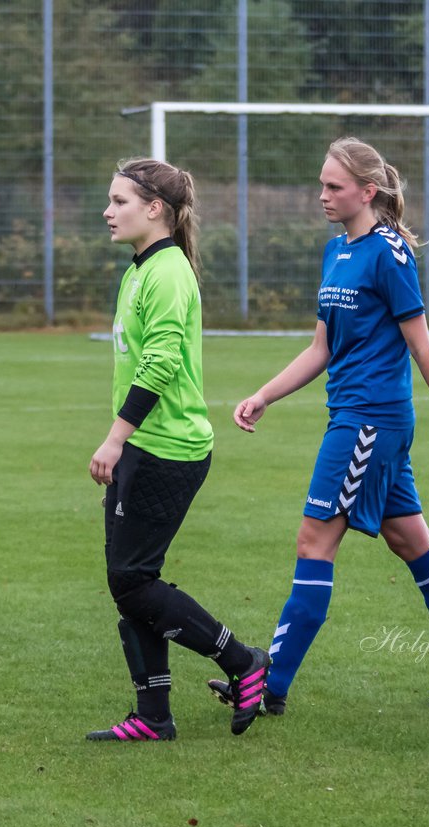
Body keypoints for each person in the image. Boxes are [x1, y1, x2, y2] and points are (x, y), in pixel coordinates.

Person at [209, 137, 429, 716]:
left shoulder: (390, 255)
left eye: (334, 186)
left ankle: (270, 685)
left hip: (370, 422)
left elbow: (421, 345)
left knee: (314, 541)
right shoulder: (336, 251)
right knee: (410, 540)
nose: (322, 195)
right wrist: (265, 394)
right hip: (355, 416)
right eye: (321, 184)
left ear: (367, 191)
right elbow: (322, 346)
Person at [86, 157, 270, 742]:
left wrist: (117, 438)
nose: (108, 211)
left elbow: (161, 362)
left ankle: (242, 662)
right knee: (131, 582)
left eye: (119, 201)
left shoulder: (166, 273)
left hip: (165, 447)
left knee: (134, 580)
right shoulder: (142, 269)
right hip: (147, 446)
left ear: (154, 208)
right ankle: (153, 716)